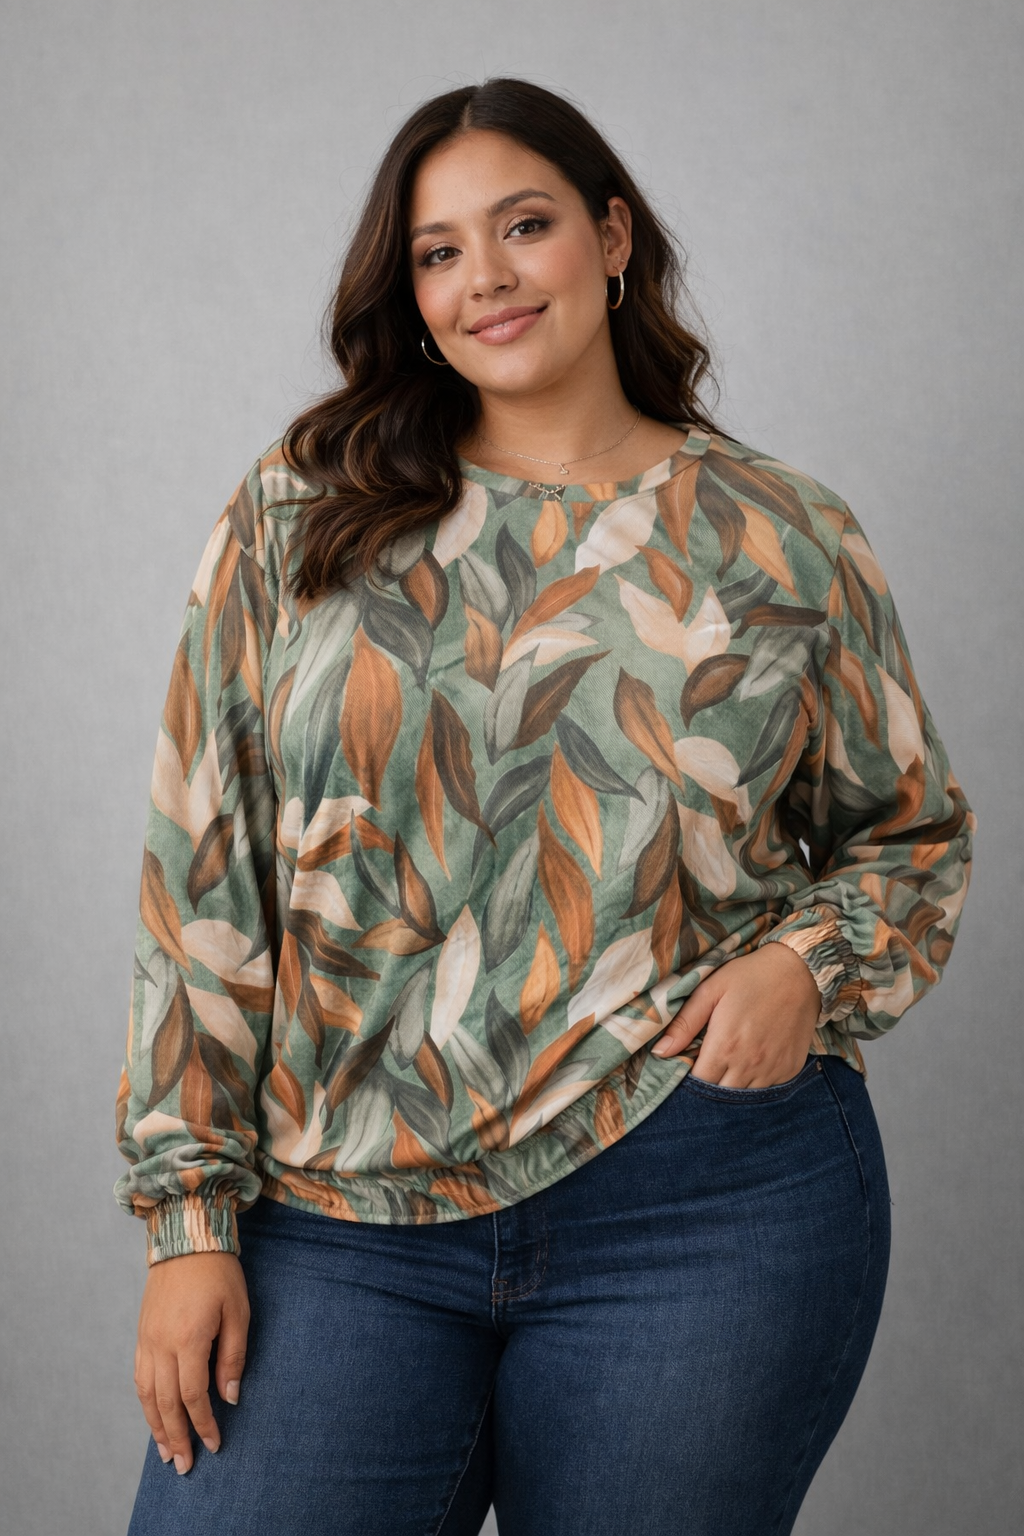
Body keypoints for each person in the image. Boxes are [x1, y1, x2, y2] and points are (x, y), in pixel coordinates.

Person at [115, 78, 975, 1536]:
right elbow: (206, 862)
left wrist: (805, 964)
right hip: (339, 1212)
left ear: (613, 238)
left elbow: (911, 836)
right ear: (410, 292)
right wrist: (189, 1220)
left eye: (525, 226)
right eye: (439, 252)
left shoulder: (783, 533)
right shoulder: (302, 510)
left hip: (700, 1203)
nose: (487, 279)